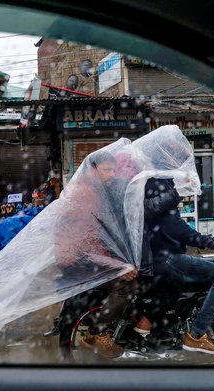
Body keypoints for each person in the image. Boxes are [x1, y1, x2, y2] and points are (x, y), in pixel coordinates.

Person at [55, 150, 139, 358]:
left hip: (78, 256)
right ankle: (99, 332)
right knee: (128, 285)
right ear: (93, 170)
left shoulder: (89, 189)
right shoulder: (86, 194)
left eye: (114, 170)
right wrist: (117, 267)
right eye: (107, 170)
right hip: (78, 260)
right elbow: (87, 243)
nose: (112, 174)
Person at [147, 177, 214, 354]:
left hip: (159, 254)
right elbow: (176, 228)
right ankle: (196, 335)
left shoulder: (157, 183)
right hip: (167, 256)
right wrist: (210, 242)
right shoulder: (160, 185)